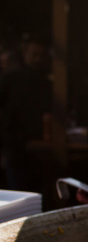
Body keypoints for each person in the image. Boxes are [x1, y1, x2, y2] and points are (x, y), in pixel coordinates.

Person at [0, 34, 51, 192]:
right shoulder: (10, 78)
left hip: (39, 149)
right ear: (25, 54)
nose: (37, 59)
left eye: (41, 55)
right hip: (15, 147)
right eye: (34, 54)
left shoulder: (45, 82)